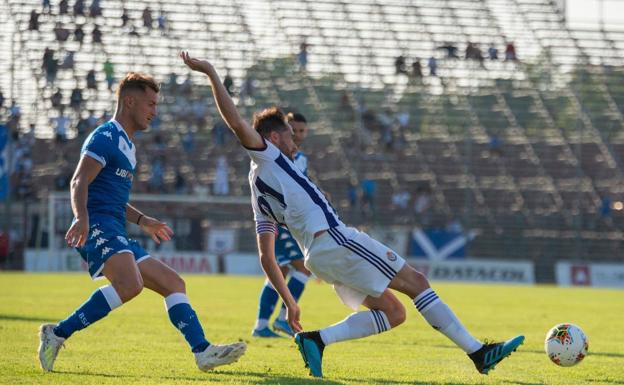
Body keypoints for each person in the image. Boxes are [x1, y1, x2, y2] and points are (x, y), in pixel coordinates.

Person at [180, 51, 524, 378]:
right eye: (288, 132)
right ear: (270, 137)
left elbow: (265, 256)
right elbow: (237, 122)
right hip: (335, 240)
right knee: (417, 282)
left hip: (320, 258)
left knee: (394, 312)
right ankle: (479, 353)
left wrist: (290, 303)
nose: (294, 139)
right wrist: (210, 71)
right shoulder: (267, 155)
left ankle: (316, 340)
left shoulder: (259, 186)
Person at [37, 72, 246, 374]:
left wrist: (142, 219)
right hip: (97, 225)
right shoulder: (105, 136)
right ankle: (57, 333)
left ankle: (202, 351)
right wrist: (82, 218)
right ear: (129, 101)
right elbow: (79, 180)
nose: (154, 111)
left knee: (174, 283)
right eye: (150, 104)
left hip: (114, 226)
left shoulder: (128, 146)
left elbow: (112, 197)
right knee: (130, 285)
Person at [251, 112, 313, 338]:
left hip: (290, 222)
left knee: (283, 270)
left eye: (302, 130)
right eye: (293, 130)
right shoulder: (273, 156)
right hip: (279, 223)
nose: (297, 134)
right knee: (303, 268)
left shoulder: (301, 158)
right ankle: (282, 318)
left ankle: (261, 325)